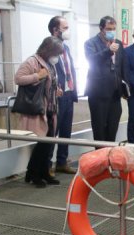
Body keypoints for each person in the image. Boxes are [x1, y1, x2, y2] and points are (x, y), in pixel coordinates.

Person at [15, 36, 64, 188]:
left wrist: (56, 91)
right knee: (42, 143)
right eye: (56, 53)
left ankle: (41, 173)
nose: (57, 57)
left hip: (51, 109)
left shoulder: (50, 64)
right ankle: (35, 174)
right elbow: (18, 79)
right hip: (39, 109)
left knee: (48, 144)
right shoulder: (32, 61)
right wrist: (38, 76)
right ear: (48, 50)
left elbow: (50, 84)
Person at [85, 16, 126, 142]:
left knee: (112, 127)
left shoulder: (118, 42)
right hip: (98, 93)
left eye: (114, 29)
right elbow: (92, 60)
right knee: (99, 128)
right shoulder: (90, 43)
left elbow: (121, 65)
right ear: (101, 28)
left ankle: (110, 155)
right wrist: (108, 51)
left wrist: (125, 87)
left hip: (115, 93)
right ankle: (100, 157)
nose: (111, 31)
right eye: (108, 28)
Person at [48, 16, 78, 174]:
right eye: (65, 28)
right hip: (56, 96)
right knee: (53, 131)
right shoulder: (49, 47)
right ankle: (48, 165)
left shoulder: (65, 47)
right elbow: (47, 71)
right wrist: (54, 89)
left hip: (68, 93)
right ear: (55, 29)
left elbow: (69, 69)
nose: (67, 31)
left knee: (66, 131)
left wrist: (74, 91)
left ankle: (62, 162)